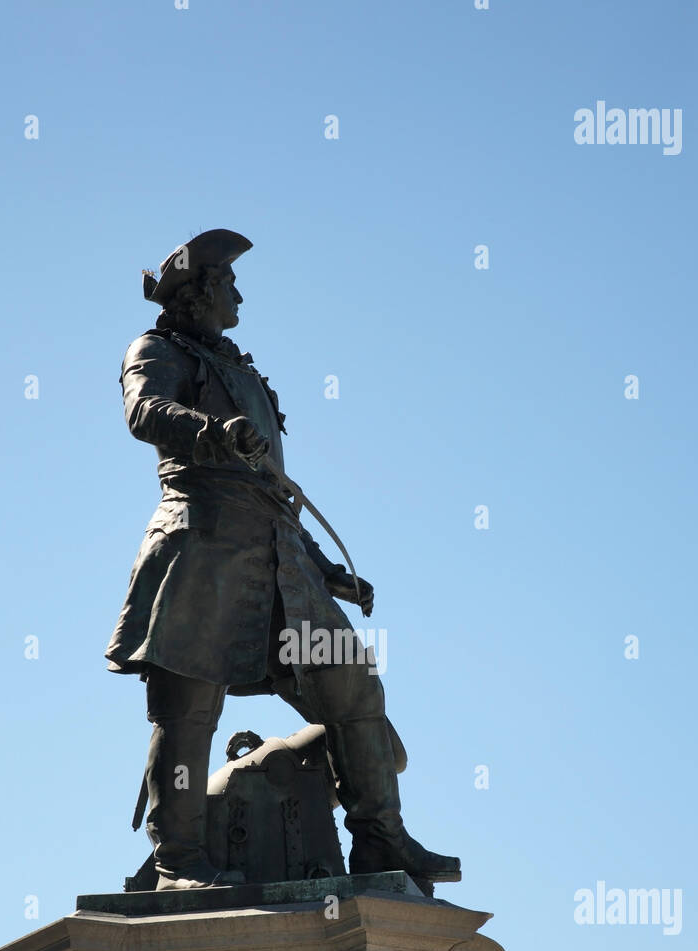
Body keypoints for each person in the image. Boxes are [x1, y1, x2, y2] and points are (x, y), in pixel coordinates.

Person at [106, 229, 461, 892]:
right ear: (202, 292)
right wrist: (211, 432)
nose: (238, 293)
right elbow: (143, 412)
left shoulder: (241, 369)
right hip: (200, 545)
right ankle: (179, 862)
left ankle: (381, 844)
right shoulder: (153, 349)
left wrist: (323, 568)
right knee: (188, 709)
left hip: (279, 562)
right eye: (229, 283)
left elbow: (272, 489)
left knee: (353, 685)